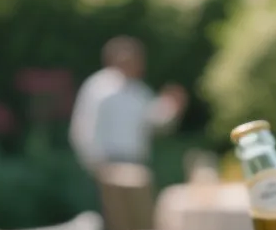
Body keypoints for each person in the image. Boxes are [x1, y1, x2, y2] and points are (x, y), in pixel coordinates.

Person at [69, 37, 187, 172]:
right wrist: (95, 164)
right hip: (104, 163)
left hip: (135, 162)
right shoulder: (98, 87)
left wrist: (172, 108)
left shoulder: (140, 90)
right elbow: (83, 128)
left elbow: (154, 124)